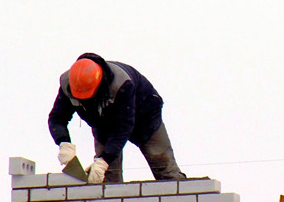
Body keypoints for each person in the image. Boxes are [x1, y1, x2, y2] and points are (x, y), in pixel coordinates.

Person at [48, 53, 187, 183]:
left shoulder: (121, 84)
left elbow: (123, 127)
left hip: (144, 116)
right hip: (104, 123)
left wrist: (104, 160)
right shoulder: (70, 84)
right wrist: (63, 143)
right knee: (107, 178)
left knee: (163, 166)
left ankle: (182, 199)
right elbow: (57, 117)